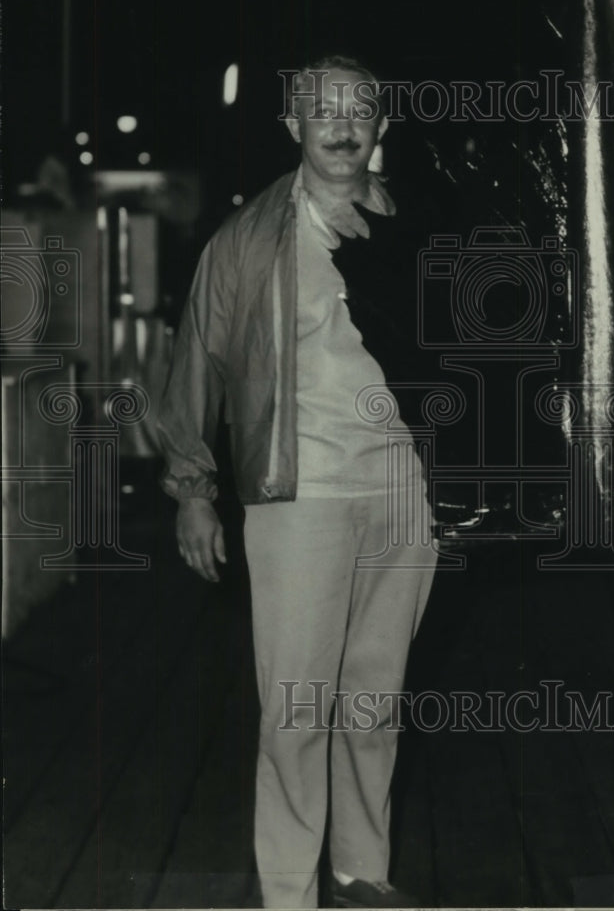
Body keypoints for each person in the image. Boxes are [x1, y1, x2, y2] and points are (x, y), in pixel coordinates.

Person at [157, 56, 437, 909]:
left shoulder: (416, 228)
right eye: (323, 110)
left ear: (383, 123)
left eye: (360, 108)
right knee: (296, 707)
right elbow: (195, 366)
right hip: (299, 497)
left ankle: (361, 873)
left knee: (374, 700)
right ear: (294, 127)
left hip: (405, 498)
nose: (343, 124)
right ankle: (288, 894)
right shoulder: (247, 240)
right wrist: (195, 490)